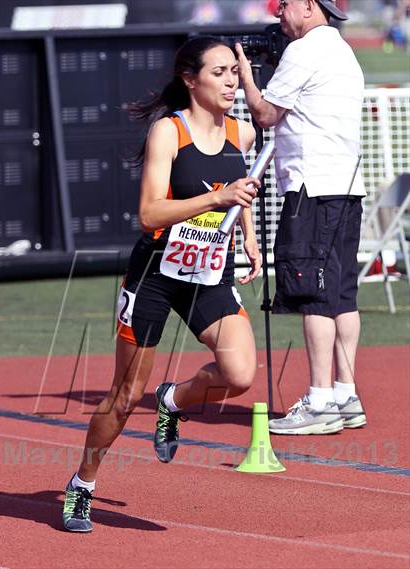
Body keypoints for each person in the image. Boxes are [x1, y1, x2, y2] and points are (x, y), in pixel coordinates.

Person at [62, 36, 262, 532]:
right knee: (126, 396)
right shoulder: (168, 133)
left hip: (208, 274)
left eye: (234, 71)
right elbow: (150, 213)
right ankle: (81, 486)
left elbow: (242, 193)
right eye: (220, 72)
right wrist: (216, 201)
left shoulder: (243, 134)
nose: (232, 80)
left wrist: (249, 237)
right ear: (190, 81)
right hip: (156, 274)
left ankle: (173, 401)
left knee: (240, 376)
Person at [236, 0, 367, 435]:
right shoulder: (342, 50)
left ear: (310, 6)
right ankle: (346, 394)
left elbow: (266, 114)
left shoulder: (305, 49)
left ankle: (319, 399)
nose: (279, 13)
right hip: (347, 187)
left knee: (313, 292)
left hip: (313, 188)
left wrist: (247, 78)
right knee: (342, 296)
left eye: (286, 4)